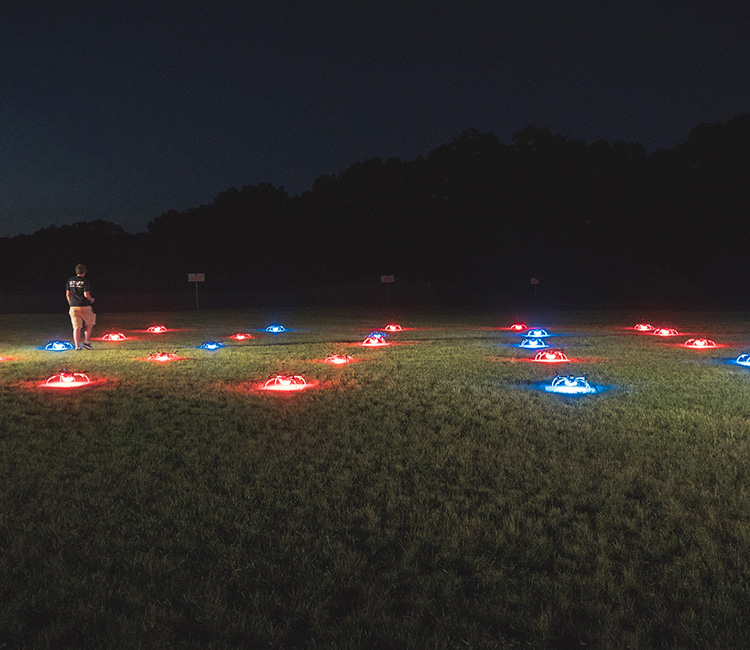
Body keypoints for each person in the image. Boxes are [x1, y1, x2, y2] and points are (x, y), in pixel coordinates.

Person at [66, 264, 96, 350]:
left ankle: (77, 346)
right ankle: (86, 343)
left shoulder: (70, 281)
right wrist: (91, 299)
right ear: (85, 271)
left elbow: (68, 294)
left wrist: (71, 304)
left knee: (76, 327)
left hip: (73, 307)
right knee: (89, 324)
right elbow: (86, 294)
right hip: (84, 306)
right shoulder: (85, 281)